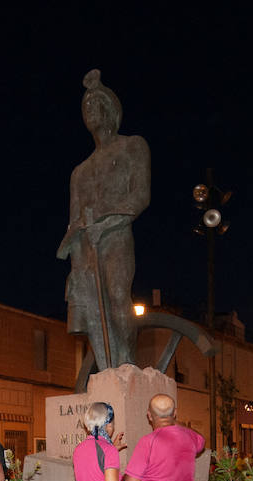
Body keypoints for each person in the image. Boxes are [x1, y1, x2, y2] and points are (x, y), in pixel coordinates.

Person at [54, 68, 149, 372]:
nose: (90, 110)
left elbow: (139, 197)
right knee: (94, 309)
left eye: (96, 104)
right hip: (86, 249)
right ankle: (107, 370)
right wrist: (75, 246)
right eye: (85, 107)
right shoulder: (79, 173)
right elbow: (72, 221)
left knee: (118, 297)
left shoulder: (133, 146)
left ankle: (127, 363)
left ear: (110, 108)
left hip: (116, 237)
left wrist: (106, 223)